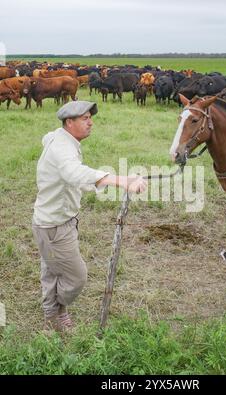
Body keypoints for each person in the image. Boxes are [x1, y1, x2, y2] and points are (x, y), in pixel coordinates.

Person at [32, 101, 147, 332]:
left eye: (90, 117)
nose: (91, 122)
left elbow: (57, 154)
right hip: (54, 225)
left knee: (52, 270)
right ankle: (54, 313)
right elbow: (74, 172)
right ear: (69, 122)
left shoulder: (60, 138)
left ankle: (54, 314)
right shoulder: (62, 148)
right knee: (76, 277)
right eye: (85, 118)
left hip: (57, 219)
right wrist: (121, 180)